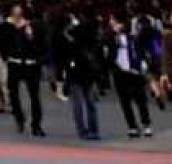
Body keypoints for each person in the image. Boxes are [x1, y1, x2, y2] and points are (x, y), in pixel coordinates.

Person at [106, 12, 155, 138]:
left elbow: (144, 41)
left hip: (134, 70)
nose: (112, 24)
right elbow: (107, 49)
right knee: (125, 101)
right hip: (120, 71)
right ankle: (132, 126)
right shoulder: (111, 37)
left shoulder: (133, 35)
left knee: (140, 99)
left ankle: (146, 124)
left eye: (114, 21)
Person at [1, 4, 46, 137]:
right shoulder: (6, 27)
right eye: (14, 13)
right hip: (14, 63)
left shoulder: (33, 26)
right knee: (13, 92)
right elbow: (2, 41)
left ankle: (36, 124)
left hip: (31, 64)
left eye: (18, 13)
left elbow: (40, 44)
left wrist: (30, 37)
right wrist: (6, 55)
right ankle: (19, 117)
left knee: (34, 95)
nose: (16, 16)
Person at [59, 11, 102, 140]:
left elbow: (65, 57)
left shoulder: (70, 38)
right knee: (90, 103)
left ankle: (82, 130)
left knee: (78, 105)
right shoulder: (90, 38)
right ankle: (93, 129)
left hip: (75, 73)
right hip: (87, 73)